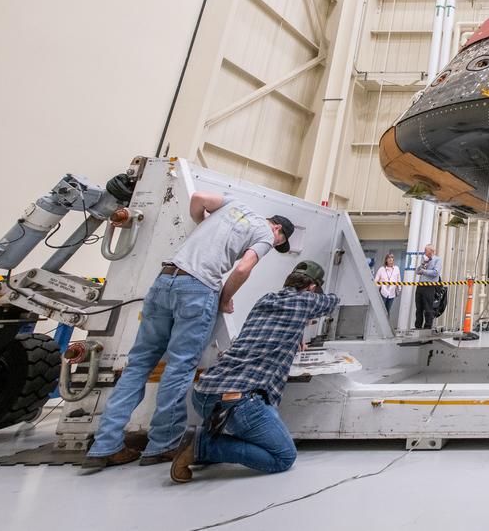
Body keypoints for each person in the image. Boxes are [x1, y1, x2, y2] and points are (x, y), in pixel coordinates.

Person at [84, 193, 292, 469]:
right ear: (277, 229)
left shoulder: (234, 205)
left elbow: (198, 198)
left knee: (138, 366)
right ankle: (163, 444)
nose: (274, 244)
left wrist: (201, 222)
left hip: (164, 281)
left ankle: (105, 446)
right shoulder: (265, 234)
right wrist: (225, 298)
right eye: (279, 242)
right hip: (198, 289)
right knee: (179, 368)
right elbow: (243, 268)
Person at [169, 260, 339, 483]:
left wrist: (295, 334)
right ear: (312, 288)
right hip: (239, 402)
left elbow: (269, 327)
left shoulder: (266, 299)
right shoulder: (307, 300)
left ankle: (205, 443)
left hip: (204, 394)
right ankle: (202, 445)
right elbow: (333, 301)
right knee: (283, 457)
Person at [414, 244, 443, 330]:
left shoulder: (437, 260)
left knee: (428, 307)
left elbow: (435, 272)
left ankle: (427, 327)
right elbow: (417, 271)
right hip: (420, 285)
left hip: (430, 286)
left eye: (426, 250)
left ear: (431, 251)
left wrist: (424, 271)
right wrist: (422, 264)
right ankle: (418, 326)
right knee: (418, 307)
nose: (424, 252)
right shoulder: (424, 259)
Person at [374, 253, 402, 318]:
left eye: (392, 258)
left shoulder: (396, 269)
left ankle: (386, 323)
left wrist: (399, 288)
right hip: (383, 292)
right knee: (381, 310)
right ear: (386, 260)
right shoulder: (381, 269)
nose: (391, 260)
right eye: (389, 258)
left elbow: (398, 279)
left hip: (392, 293)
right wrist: (379, 286)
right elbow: (376, 281)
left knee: (388, 310)